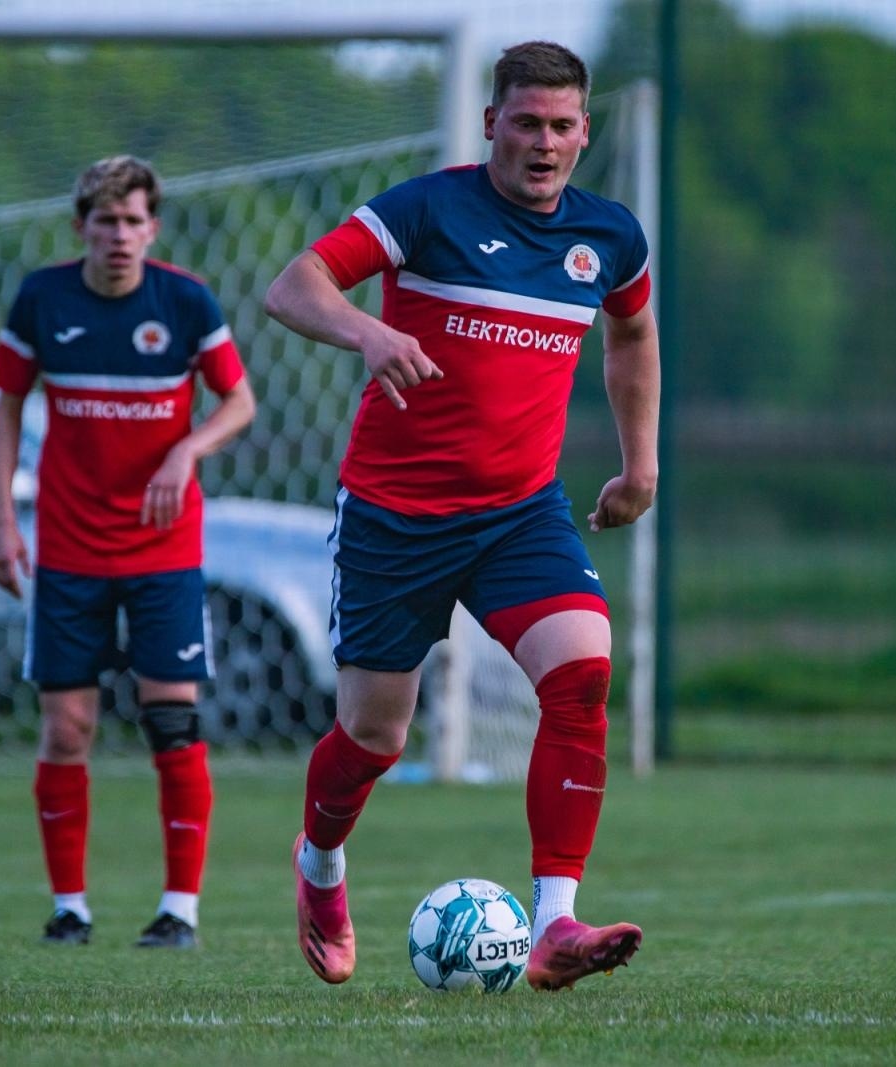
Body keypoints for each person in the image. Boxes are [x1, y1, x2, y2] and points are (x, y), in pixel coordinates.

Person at [263, 40, 659, 991]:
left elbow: (632, 334)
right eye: (526, 122)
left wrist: (639, 464)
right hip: (395, 515)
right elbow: (293, 286)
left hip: (520, 514)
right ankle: (319, 864)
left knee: (582, 669)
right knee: (374, 737)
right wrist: (369, 328)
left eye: (563, 126)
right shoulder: (429, 208)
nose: (544, 142)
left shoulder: (609, 237)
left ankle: (556, 923)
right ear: (492, 124)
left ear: (585, 133)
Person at [0, 155, 257, 949]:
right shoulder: (43, 298)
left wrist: (186, 452)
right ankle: (69, 906)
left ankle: (181, 909)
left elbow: (239, 400)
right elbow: (5, 413)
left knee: (170, 719)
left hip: (164, 552)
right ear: (81, 229)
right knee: (68, 728)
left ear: (153, 229)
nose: (120, 237)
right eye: (106, 222)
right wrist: (4, 524)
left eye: (135, 222)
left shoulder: (184, 301)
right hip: (67, 550)